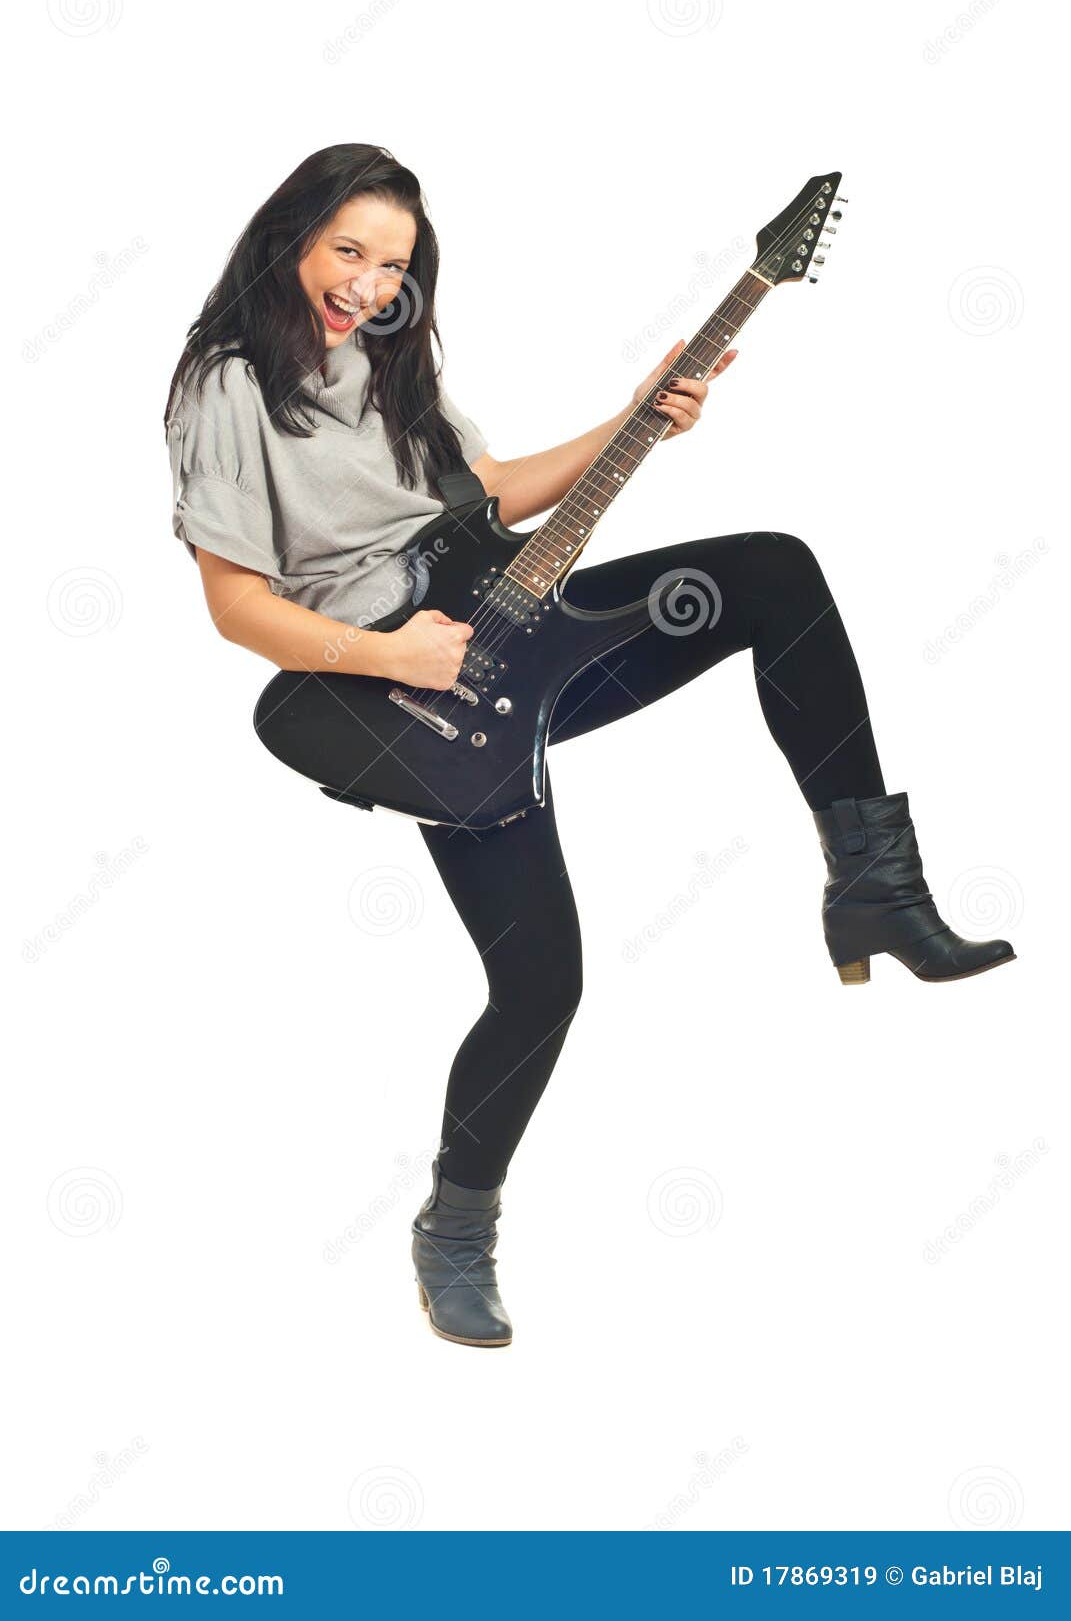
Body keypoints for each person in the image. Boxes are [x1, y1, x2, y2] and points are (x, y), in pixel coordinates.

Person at [166, 144, 1015, 1349]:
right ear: (292, 237)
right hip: (398, 691)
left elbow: (493, 491)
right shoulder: (228, 384)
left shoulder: (394, 363)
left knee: (775, 573)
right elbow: (236, 603)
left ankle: (873, 886)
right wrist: (399, 655)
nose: (367, 282)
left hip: (513, 626)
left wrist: (637, 419)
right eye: (347, 250)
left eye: (392, 263)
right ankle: (454, 1232)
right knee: (543, 982)